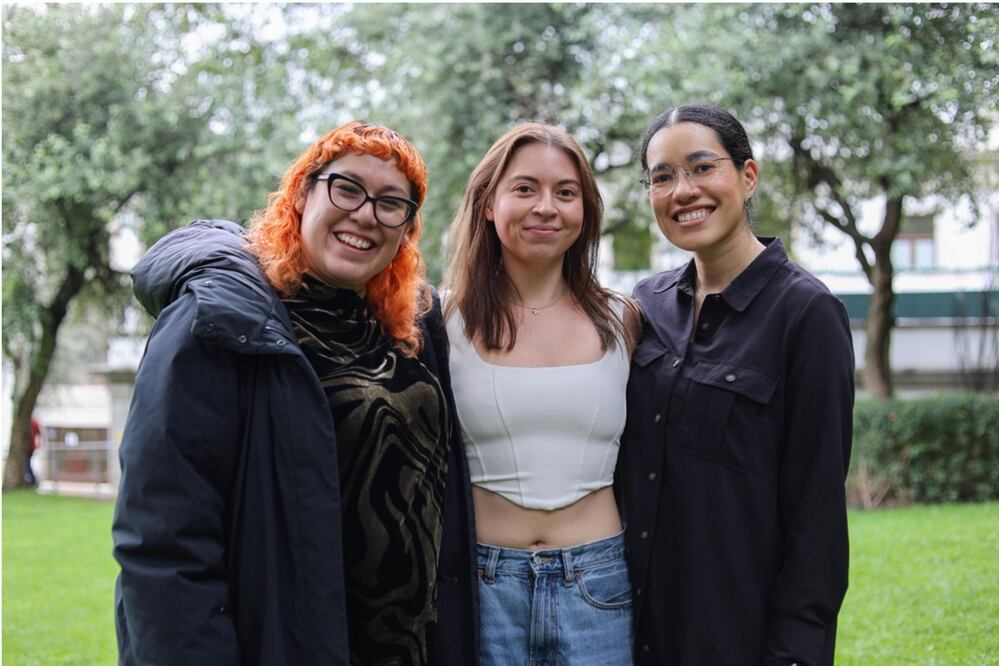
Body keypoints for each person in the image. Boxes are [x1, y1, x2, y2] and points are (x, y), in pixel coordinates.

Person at [112, 121, 477, 666]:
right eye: (347, 188)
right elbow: (163, 538)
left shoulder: (412, 325)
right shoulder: (222, 317)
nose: (365, 214)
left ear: (406, 229)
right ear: (303, 193)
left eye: (390, 203)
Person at [619, 104, 854, 665]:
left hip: (735, 637)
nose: (683, 191)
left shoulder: (806, 312)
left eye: (702, 168)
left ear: (748, 177)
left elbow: (817, 513)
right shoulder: (644, 305)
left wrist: (795, 650)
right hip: (625, 629)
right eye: (662, 177)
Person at [442, 123, 641, 665]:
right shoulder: (441, 321)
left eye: (566, 192)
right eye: (525, 188)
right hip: (485, 586)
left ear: (586, 209)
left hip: (600, 585)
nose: (546, 207)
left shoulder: (624, 319)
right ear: (488, 203)